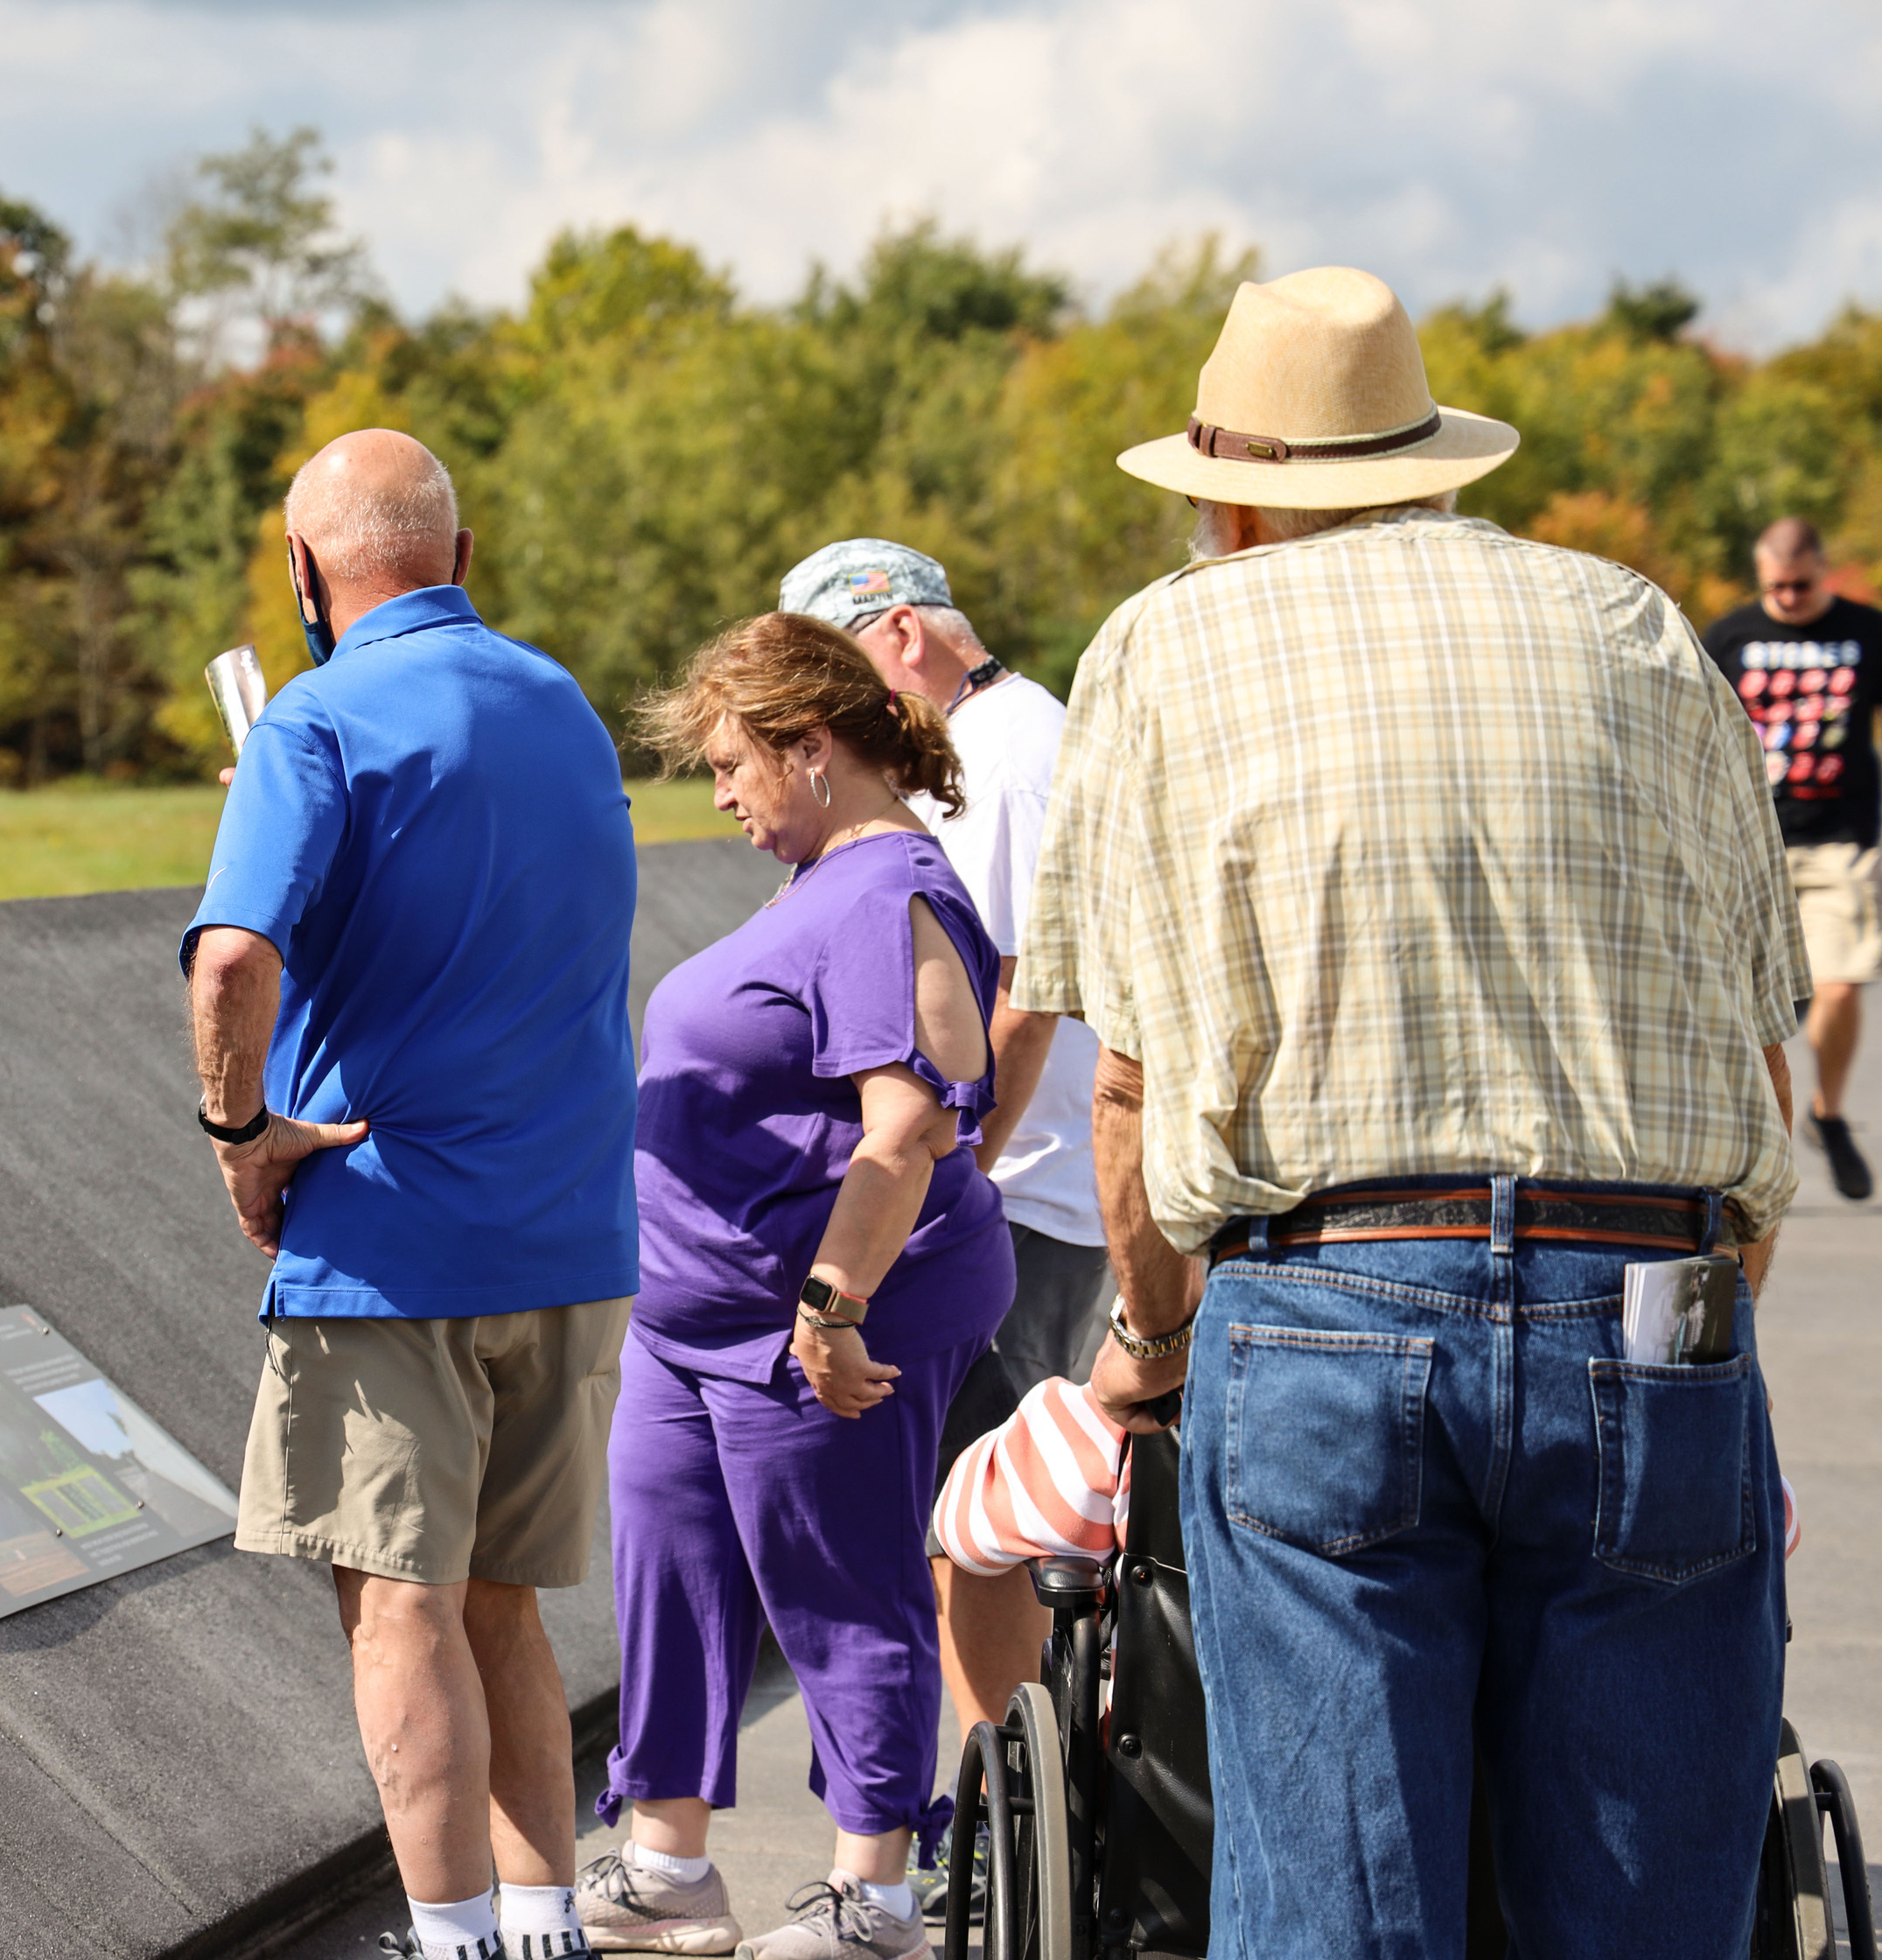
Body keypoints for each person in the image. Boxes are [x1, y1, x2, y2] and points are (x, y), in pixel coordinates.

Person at [1017, 265, 1803, 1956]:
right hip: (1648, 1293)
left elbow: (1134, 1085)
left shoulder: (1169, 643)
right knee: (1656, 1910)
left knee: (1338, 1913)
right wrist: (1689, 1320)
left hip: (1328, 1302)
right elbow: (1760, 1041)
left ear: (1233, 492)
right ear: (1433, 457)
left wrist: (1147, 1353)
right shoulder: (1641, 623)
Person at [184, 429, 640, 1960]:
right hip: (571, 1238)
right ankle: (540, 1923)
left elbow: (235, 956)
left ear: (305, 572)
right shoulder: (563, 706)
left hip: (392, 1245)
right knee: (504, 1604)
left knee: (399, 1606)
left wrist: (239, 1128)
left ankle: (446, 1939)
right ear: (462, 553)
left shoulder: (310, 722)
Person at [578, 612, 1014, 1960]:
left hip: (809, 1325)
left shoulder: (889, 893)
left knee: (841, 1588)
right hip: (689, 1320)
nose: (719, 797)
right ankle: (667, 1868)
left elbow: (908, 1128)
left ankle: (874, 1897)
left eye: (732, 765)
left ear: (811, 747)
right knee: (670, 1569)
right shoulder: (822, 878)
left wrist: (830, 1310)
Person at [773, 539, 1110, 1791]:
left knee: (980, 1530)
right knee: (997, 1524)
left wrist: (962, 1163)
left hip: (1023, 1197)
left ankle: (1003, 1814)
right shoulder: (1013, 736)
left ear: (905, 634)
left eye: (837, 678)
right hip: (1039, 1188)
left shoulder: (1009, 753)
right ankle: (1027, 1804)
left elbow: (1024, 992)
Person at [1703, 516, 1882, 1200]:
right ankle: (1757, 1157)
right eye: (1776, 587)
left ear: (1822, 569)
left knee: (1841, 984)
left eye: (1801, 585)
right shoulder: (1730, 636)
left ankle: (1828, 1114)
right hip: (1752, 845)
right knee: (1755, 1016)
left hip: (1841, 841)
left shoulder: (1867, 632)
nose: (1788, 597)